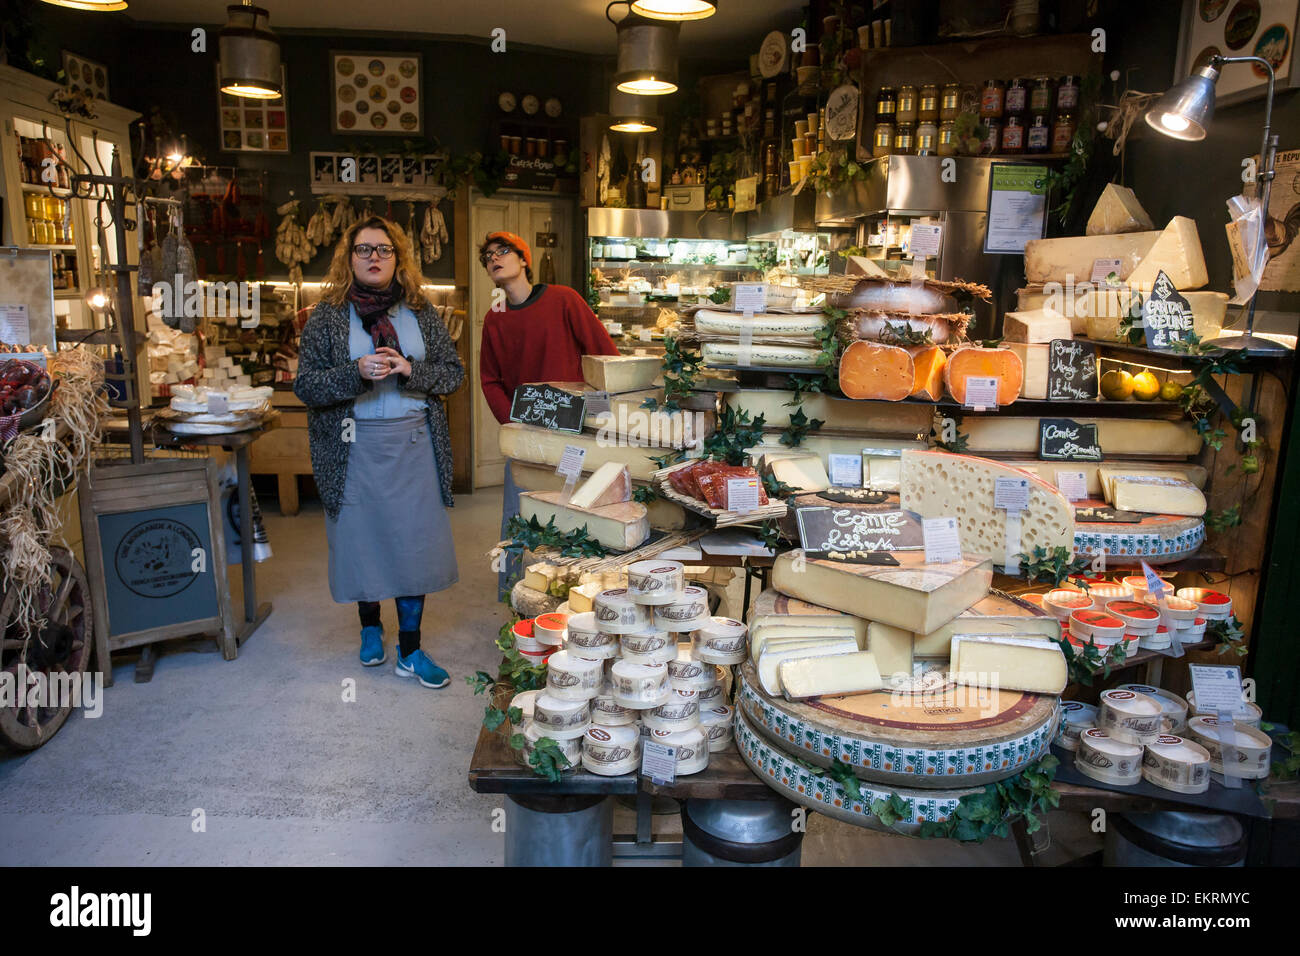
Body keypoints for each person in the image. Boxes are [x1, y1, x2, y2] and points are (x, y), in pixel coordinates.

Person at [295, 216, 464, 688]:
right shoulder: (326, 316)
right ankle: (370, 627)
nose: (374, 257)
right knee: (361, 542)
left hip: (414, 447)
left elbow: (452, 375)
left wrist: (410, 369)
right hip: (352, 449)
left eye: (384, 250)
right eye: (364, 249)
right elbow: (306, 385)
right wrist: (356, 372)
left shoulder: (422, 313)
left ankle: (410, 649)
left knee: (413, 548)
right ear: (349, 258)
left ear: (398, 258)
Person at [477, 231, 620, 597]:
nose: (495, 258)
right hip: (525, 433)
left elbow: (603, 355)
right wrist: (511, 424)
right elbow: (490, 379)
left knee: (573, 508)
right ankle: (510, 589)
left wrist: (605, 421)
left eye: (503, 251)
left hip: (573, 430)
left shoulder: (563, 300)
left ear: (524, 259)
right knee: (517, 509)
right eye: (488, 256)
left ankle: (574, 589)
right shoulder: (494, 319)